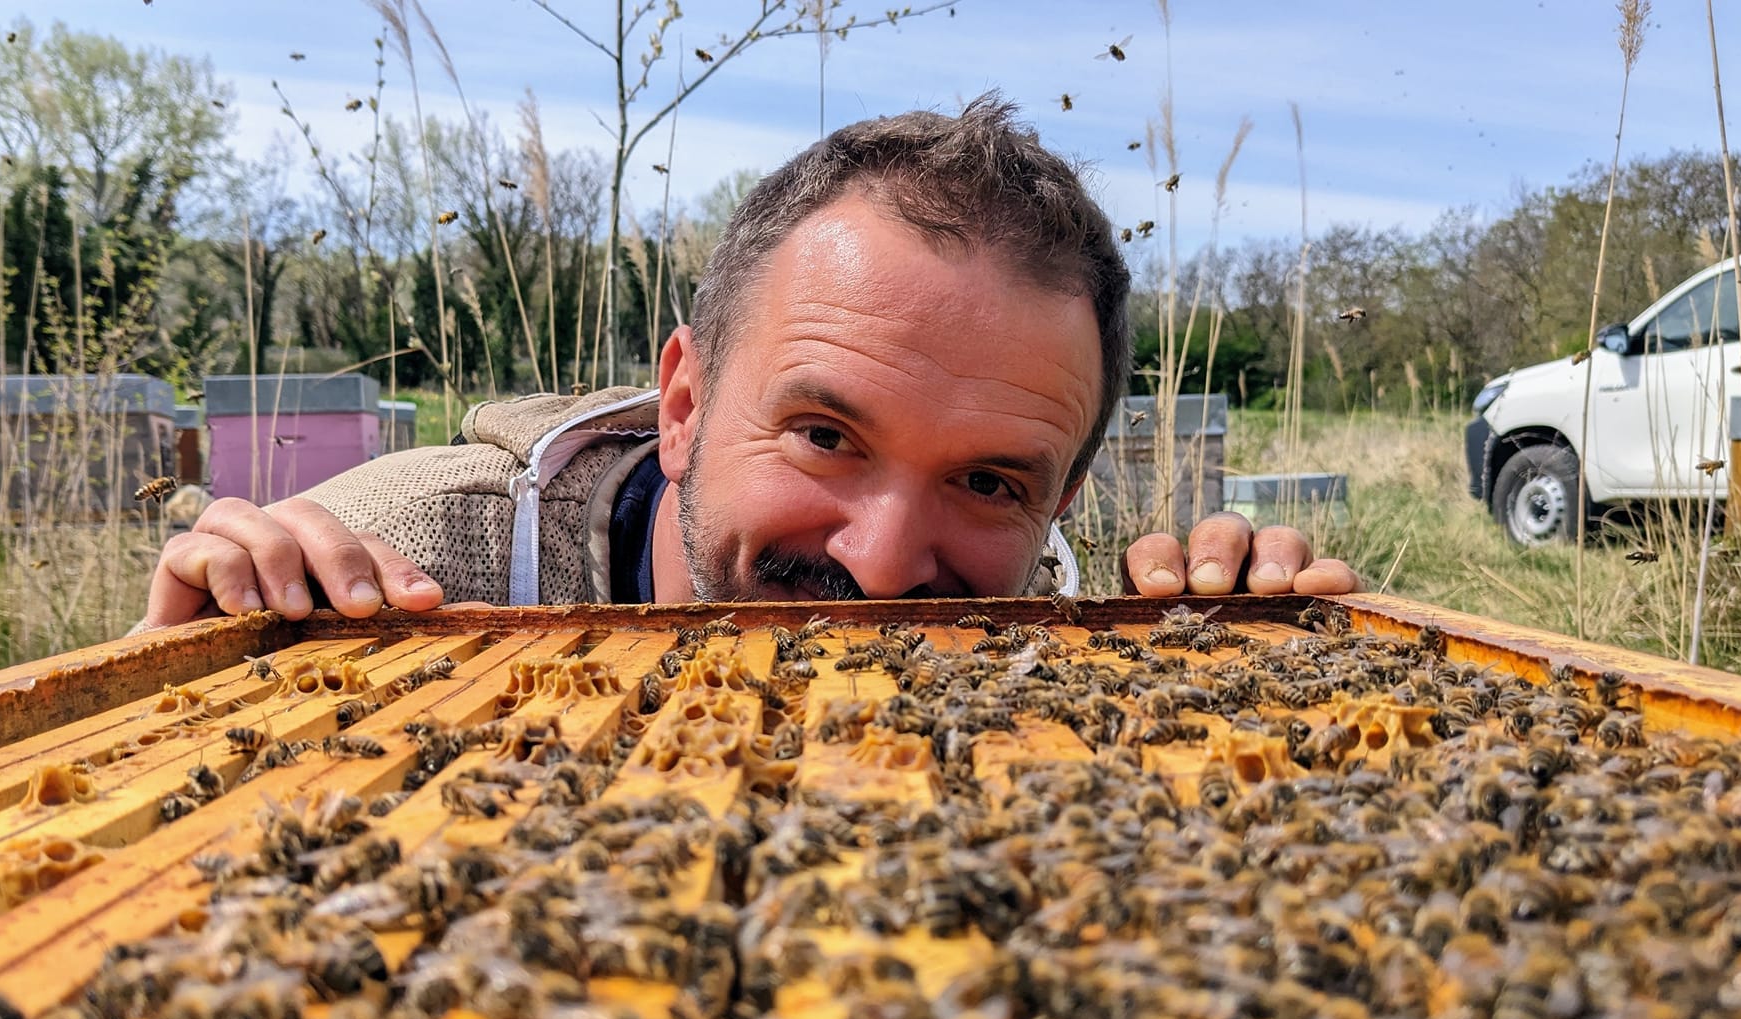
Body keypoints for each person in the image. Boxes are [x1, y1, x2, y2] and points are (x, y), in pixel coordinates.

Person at [139, 95, 1356, 629]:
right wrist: (193, 688)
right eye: (826, 436)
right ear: (683, 402)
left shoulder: (1053, 628)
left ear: (1060, 506)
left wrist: (1245, 644)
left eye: (988, 483)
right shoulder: (402, 555)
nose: (880, 571)